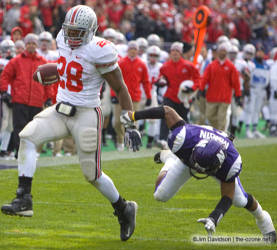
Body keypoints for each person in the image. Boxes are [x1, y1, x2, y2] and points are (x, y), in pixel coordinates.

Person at [1, 5, 141, 242]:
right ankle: (23, 198)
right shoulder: (62, 39)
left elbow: (120, 88)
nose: (72, 36)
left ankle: (123, 208)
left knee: (92, 175)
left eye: (78, 32)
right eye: (70, 31)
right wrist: (57, 71)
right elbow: (69, 66)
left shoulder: (100, 50)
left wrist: (130, 124)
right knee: (27, 137)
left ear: (90, 30)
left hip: (86, 113)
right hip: (60, 109)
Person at [120, 106, 276, 243]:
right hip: (189, 154)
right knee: (160, 195)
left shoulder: (230, 163)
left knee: (239, 200)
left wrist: (214, 217)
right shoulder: (183, 138)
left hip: (209, 156)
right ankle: (169, 158)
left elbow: (227, 195)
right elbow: (167, 111)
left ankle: (263, 219)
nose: (197, 169)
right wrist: (134, 115)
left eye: (201, 168)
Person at [0, 33, 54, 158]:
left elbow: (48, 82)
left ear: (37, 45)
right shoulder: (16, 61)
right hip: (20, 100)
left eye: (33, 43)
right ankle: (19, 152)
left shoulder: (43, 62)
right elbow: (5, 76)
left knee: (33, 130)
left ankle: (29, 152)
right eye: (29, 43)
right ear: (25, 45)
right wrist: (4, 91)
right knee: (19, 128)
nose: (31, 45)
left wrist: (49, 97)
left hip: (36, 101)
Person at [200, 42, 241, 131]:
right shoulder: (212, 65)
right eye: (221, 51)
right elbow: (205, 78)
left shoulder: (231, 66)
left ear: (226, 53)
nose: (222, 52)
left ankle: (221, 136)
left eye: (224, 51)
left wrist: (238, 94)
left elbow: (236, 82)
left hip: (225, 97)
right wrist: (201, 88)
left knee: (222, 118)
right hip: (212, 96)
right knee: (209, 116)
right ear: (218, 52)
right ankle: (217, 131)